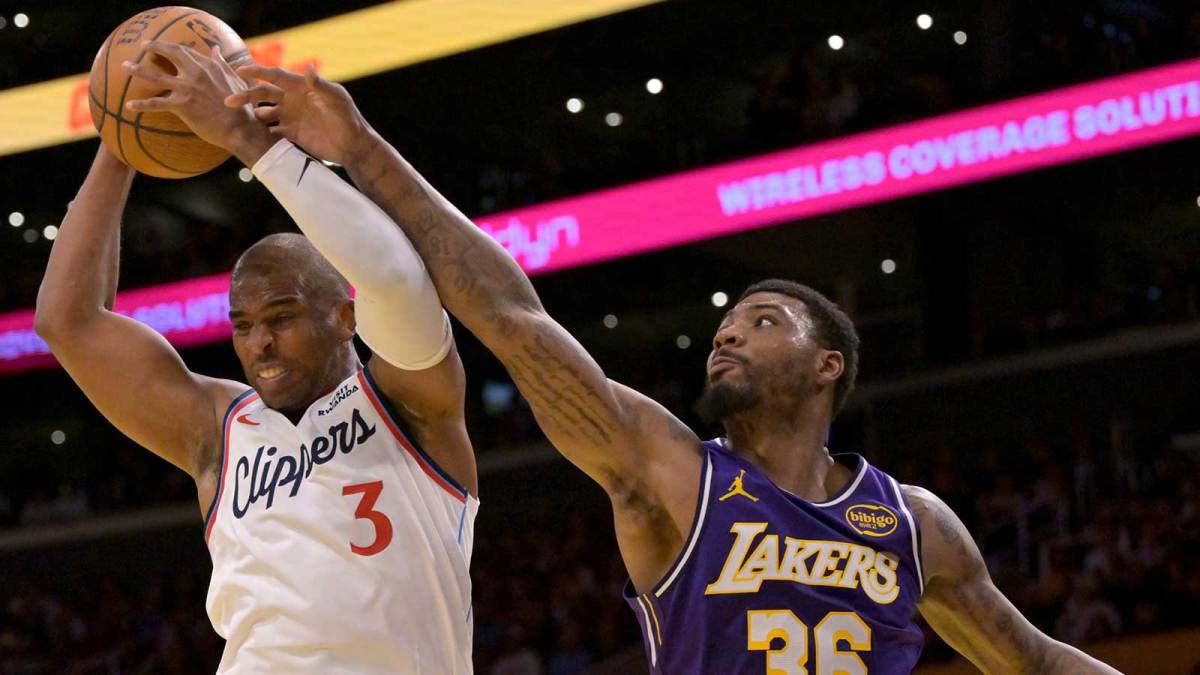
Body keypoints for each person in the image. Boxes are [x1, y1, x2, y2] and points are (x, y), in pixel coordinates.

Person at [227, 59, 1122, 673]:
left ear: (827, 367)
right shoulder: (673, 472)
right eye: (725, 321)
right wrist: (361, 152)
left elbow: (1034, 658)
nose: (727, 334)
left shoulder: (914, 523)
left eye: (762, 321)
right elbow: (509, 316)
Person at [35, 44, 478, 673]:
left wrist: (251, 142)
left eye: (281, 318)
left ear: (344, 318)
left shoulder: (409, 403)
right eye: (243, 326)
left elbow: (397, 282)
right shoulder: (219, 428)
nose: (259, 343)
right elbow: (67, 322)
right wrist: (123, 133)